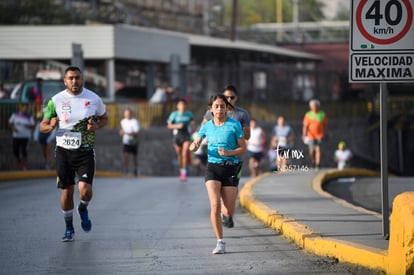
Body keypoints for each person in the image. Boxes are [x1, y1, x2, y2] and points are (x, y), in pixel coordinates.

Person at [40, 66, 108, 242]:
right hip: (63, 152)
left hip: (85, 152)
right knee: (67, 191)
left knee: (85, 191)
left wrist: (96, 126)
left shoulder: (93, 98)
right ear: (65, 81)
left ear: (82, 79)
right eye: (70, 78)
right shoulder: (55, 101)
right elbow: (43, 125)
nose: (74, 81)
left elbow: (104, 118)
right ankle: (69, 227)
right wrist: (51, 125)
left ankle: (83, 208)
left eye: (77, 78)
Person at [190, 94, 246, 254]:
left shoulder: (234, 125)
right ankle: (220, 242)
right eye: (216, 106)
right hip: (213, 168)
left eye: (222, 106)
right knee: (214, 205)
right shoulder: (207, 126)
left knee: (228, 211)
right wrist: (193, 146)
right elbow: (196, 141)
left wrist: (229, 152)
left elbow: (243, 148)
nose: (220, 109)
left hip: (230, 168)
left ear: (227, 108)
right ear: (211, 109)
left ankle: (225, 211)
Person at [202, 84, 250, 228]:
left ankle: (227, 213)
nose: (229, 99)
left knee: (232, 189)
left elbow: (247, 136)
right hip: (215, 159)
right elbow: (202, 129)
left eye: (232, 97)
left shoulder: (242, 114)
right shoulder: (212, 112)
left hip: (235, 160)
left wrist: (234, 131)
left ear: (236, 98)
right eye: (226, 97)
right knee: (216, 192)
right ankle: (221, 210)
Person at [167, 98, 195, 181]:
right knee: (179, 155)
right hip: (177, 135)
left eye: (183, 104)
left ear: (185, 106)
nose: (182, 106)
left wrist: (192, 127)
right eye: (180, 105)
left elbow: (192, 122)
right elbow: (169, 125)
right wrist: (177, 126)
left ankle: (184, 172)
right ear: (177, 106)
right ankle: (181, 169)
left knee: (184, 153)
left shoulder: (189, 114)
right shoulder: (174, 114)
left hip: (186, 134)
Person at [8, 103, 35, 170]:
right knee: (15, 150)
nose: (25, 109)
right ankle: (19, 161)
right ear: (21, 108)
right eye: (24, 108)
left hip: (25, 137)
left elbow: (33, 125)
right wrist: (13, 128)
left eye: (26, 108)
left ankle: (24, 165)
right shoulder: (15, 115)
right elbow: (10, 123)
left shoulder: (29, 116)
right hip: (16, 136)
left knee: (24, 150)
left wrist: (29, 126)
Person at [302, 99, 328, 170]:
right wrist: (304, 135)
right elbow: (305, 126)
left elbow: (325, 125)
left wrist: (326, 133)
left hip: (320, 135)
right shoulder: (308, 115)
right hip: (310, 135)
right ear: (310, 107)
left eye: (316, 106)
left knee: (318, 149)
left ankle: (318, 163)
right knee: (311, 151)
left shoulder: (322, 114)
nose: (314, 107)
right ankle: (313, 161)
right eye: (313, 106)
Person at [120, 108, 140, 176]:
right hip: (126, 141)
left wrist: (126, 133)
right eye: (125, 114)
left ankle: (136, 169)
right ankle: (126, 169)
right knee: (126, 155)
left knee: (135, 156)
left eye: (128, 114)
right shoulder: (123, 121)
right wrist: (122, 132)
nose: (127, 115)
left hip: (133, 141)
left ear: (131, 114)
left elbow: (136, 133)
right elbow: (123, 130)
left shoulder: (134, 121)